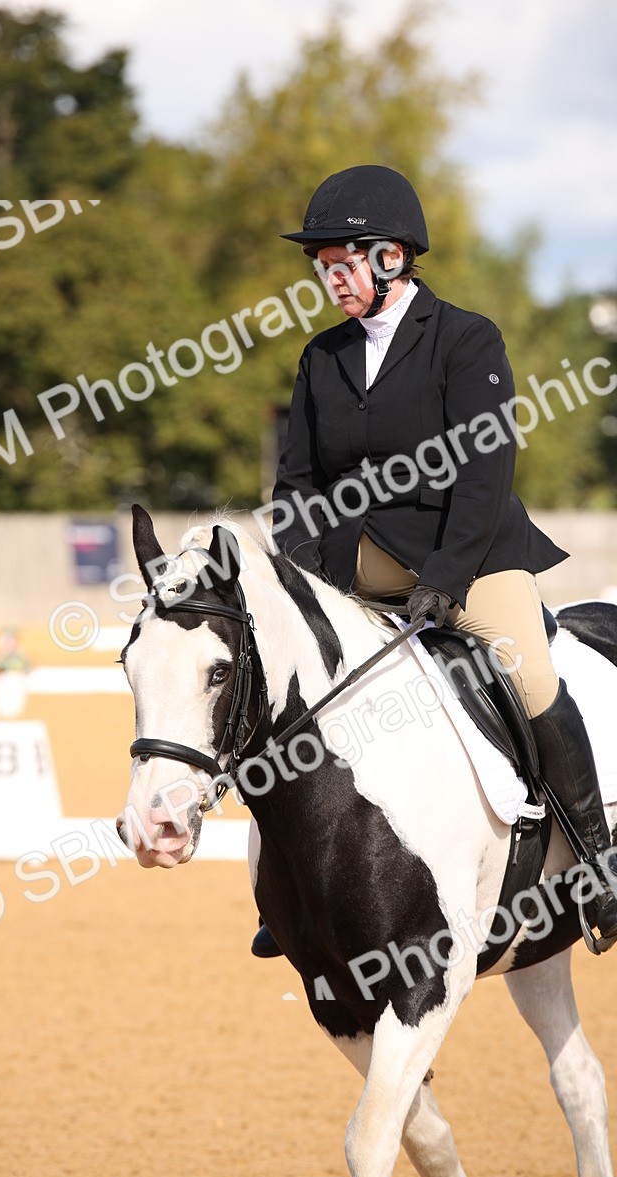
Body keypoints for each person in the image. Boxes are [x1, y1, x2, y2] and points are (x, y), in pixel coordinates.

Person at [252, 164, 617, 957]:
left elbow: (487, 473)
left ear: (391, 257)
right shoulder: (323, 357)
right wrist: (304, 580)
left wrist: (447, 583)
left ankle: (599, 860)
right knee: (286, 669)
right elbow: (300, 482)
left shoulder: (465, 337)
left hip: (471, 550)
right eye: (322, 266)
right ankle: (288, 885)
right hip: (366, 559)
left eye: (341, 262)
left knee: (529, 675)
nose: (329, 279)